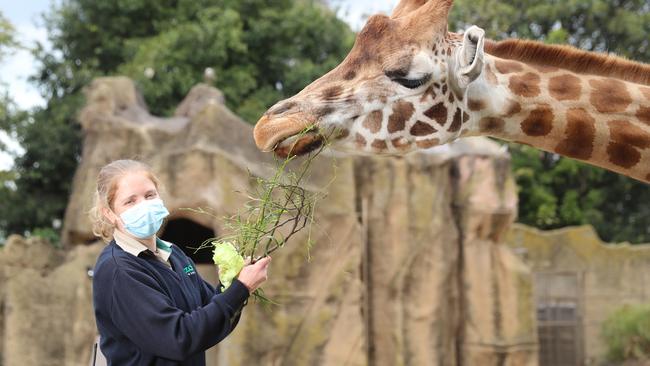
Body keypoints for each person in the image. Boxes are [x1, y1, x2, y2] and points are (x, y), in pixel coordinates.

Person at [90, 159, 271, 365]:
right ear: (109, 212)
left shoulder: (173, 254)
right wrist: (240, 289)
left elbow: (211, 320)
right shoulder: (119, 270)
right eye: (130, 201)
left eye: (150, 195)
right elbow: (179, 338)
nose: (145, 205)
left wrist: (232, 283)